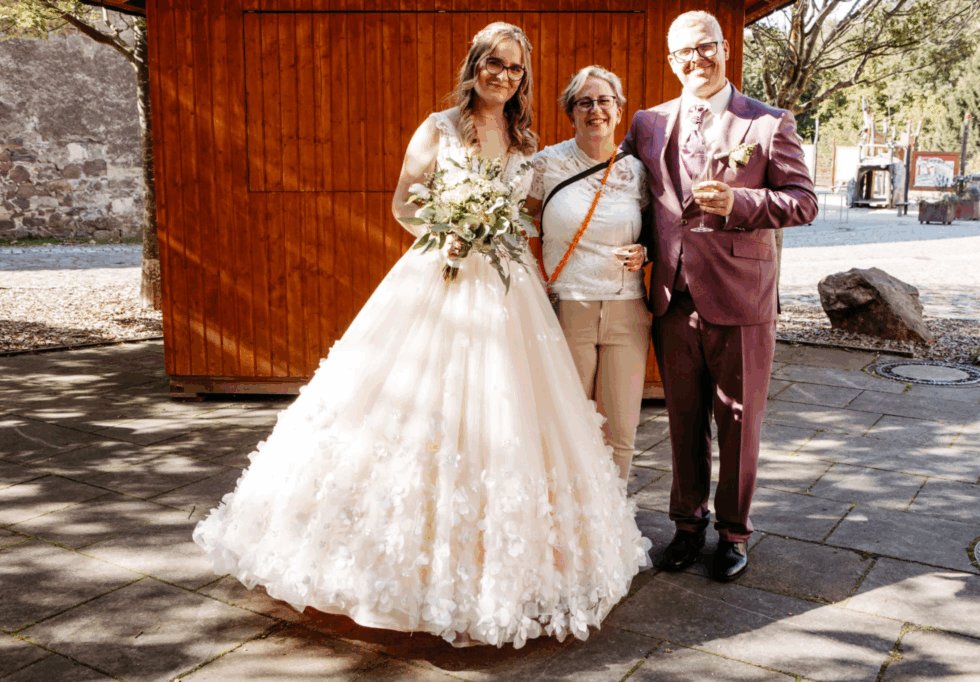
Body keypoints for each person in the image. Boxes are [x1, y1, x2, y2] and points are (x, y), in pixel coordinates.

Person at [193, 22, 649, 649]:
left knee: (512, 413)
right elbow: (405, 203)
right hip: (443, 274)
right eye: (495, 63)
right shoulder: (439, 128)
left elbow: (535, 211)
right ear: (475, 64)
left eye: (515, 68)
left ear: (524, 79)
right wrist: (446, 230)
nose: (504, 75)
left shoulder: (526, 141)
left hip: (508, 288)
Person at [621, 11, 817, 582]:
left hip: (741, 298)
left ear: (725, 48)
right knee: (682, 422)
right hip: (672, 296)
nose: (696, 59)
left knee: (738, 423)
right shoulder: (648, 123)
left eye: (705, 46)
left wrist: (742, 203)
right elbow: (625, 193)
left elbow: (804, 201)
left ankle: (733, 532)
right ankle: (687, 525)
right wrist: (634, 247)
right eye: (684, 51)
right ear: (671, 60)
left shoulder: (768, 123)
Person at [526, 65, 651, 482]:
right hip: (567, 308)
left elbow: (656, 231)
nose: (596, 110)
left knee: (621, 431)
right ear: (571, 112)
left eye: (604, 101)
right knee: (567, 426)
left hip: (627, 310)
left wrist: (645, 251)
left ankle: (613, 516)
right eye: (584, 102)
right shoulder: (547, 164)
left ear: (619, 110)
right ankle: (569, 514)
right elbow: (516, 223)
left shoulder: (638, 171)